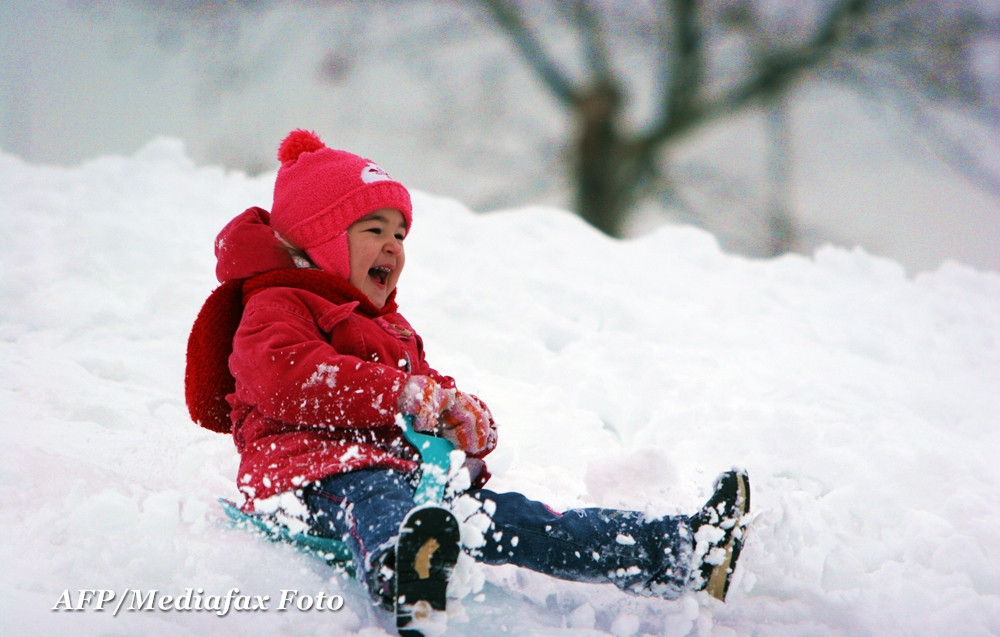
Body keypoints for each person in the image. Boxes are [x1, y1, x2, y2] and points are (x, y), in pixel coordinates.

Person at [185, 129, 751, 623]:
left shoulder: (389, 329)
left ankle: (676, 549)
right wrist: (400, 394)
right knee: (374, 497)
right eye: (372, 229)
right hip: (309, 477)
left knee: (524, 521)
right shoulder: (276, 303)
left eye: (401, 234)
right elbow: (287, 377)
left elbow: (424, 393)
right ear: (320, 238)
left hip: (408, 485)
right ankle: (406, 579)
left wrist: (458, 417)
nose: (392, 245)